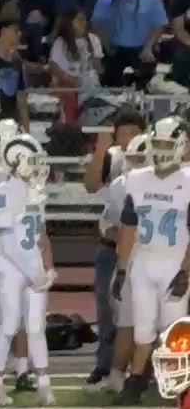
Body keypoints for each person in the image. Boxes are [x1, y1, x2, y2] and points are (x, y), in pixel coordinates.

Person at [112, 116, 190, 403]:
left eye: (167, 144)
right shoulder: (137, 179)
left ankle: (178, 387)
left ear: (182, 145)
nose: (160, 150)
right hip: (143, 262)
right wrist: (122, 269)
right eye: (157, 143)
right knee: (142, 329)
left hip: (173, 261)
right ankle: (136, 381)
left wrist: (185, 271)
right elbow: (128, 228)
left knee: (174, 330)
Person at [0, 132, 56, 407]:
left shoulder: (35, 192)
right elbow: (7, 244)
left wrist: (48, 266)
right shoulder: (1, 192)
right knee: (9, 325)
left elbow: (41, 233)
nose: (39, 166)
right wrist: (34, 272)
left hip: (33, 266)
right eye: (34, 160)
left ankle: (44, 386)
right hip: (11, 267)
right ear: (19, 160)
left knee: (37, 327)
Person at [82, 107, 144, 388]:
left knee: (143, 310)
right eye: (124, 133)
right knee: (107, 306)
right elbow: (90, 185)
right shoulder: (112, 158)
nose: (128, 139)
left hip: (144, 246)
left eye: (134, 132)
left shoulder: (154, 158)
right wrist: (100, 149)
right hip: (111, 244)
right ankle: (105, 364)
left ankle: (145, 368)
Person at [91, 0, 167, 86]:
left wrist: (148, 47)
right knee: (110, 81)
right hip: (114, 49)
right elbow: (96, 25)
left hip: (142, 48)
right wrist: (104, 46)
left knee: (145, 75)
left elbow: (159, 24)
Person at [48, 10, 103, 118]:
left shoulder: (93, 39)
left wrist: (94, 60)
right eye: (79, 20)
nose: (83, 23)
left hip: (90, 87)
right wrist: (69, 78)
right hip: (69, 88)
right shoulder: (61, 41)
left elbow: (97, 67)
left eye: (84, 20)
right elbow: (53, 67)